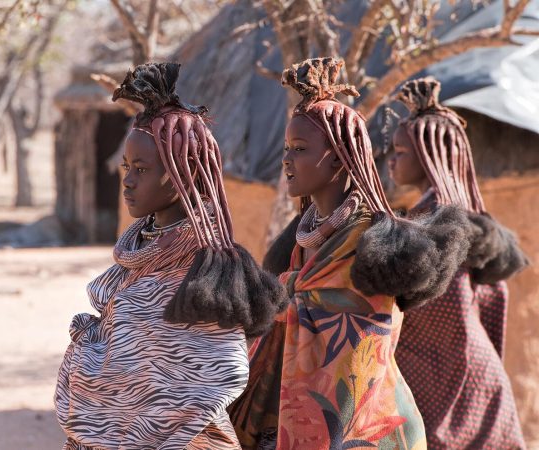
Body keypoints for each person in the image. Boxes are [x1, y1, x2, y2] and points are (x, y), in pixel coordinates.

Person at [229, 57, 469, 450]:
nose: (286, 159)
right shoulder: (302, 241)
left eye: (301, 148)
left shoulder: (371, 247)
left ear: (340, 157)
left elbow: (358, 367)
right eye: (287, 147)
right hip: (289, 424)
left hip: (363, 433)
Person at [55, 62, 288, 450]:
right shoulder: (136, 259)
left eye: (142, 169)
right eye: (126, 166)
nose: (127, 179)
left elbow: (222, 369)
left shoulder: (206, 274)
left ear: (187, 171)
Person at [389, 77, 529, 449]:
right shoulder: (457, 217)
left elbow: (440, 316)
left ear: (429, 155)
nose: (390, 159)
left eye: (400, 151)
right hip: (473, 384)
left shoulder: (436, 226)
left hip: (453, 392)